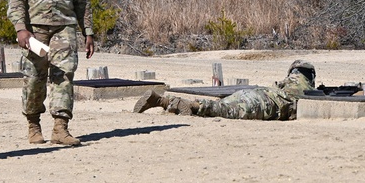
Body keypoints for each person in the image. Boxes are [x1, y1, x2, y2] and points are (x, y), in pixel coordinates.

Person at [7, 0, 94, 146]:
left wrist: (88, 32)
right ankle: (33, 125)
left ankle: (60, 127)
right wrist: (20, 28)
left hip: (64, 29)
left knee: (64, 76)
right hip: (35, 30)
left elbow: (81, 1)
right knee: (34, 77)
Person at [133, 60, 316, 120]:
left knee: (220, 105)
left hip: (256, 93)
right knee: (219, 110)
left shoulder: (285, 83)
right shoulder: (306, 89)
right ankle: (184, 105)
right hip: (268, 104)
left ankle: (163, 100)